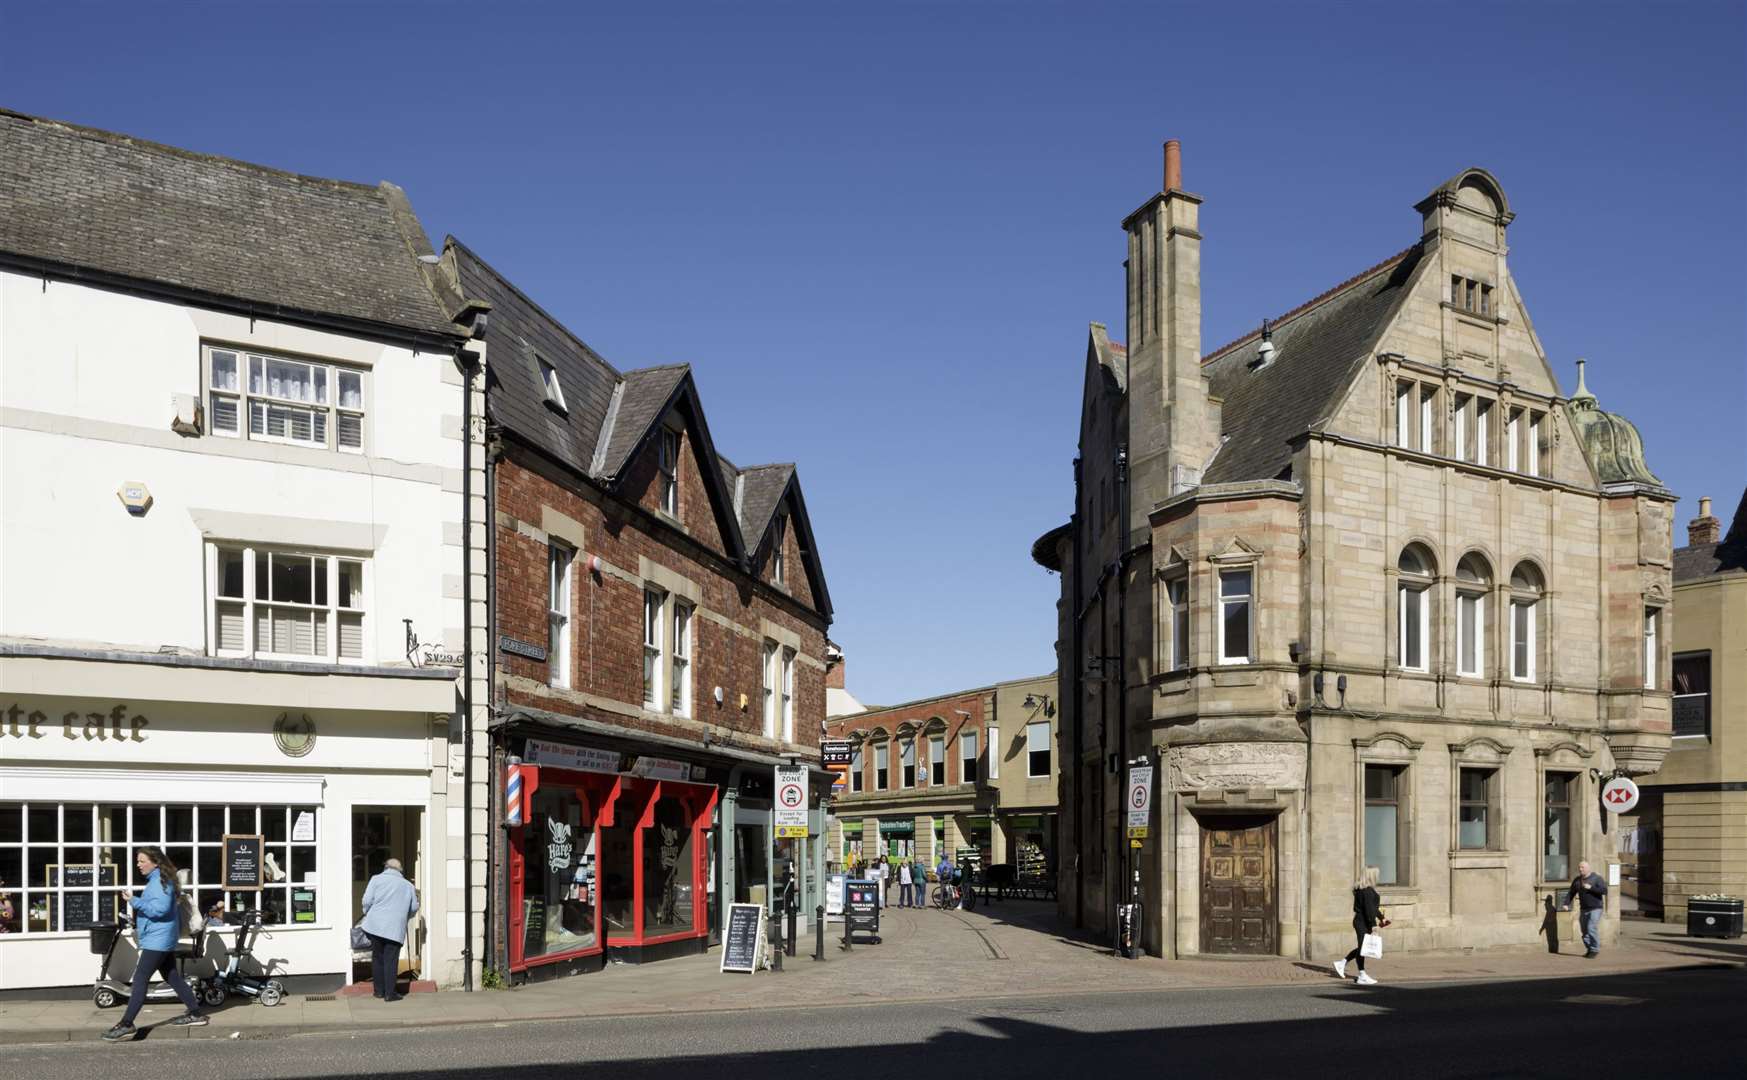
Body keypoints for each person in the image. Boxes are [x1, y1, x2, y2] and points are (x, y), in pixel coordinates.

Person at [102, 847, 206, 1041]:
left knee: (140, 979)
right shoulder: (158, 881)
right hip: (160, 938)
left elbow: (160, 910)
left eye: (142, 861)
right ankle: (195, 1013)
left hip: (158, 940)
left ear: (155, 862)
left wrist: (135, 901)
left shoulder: (159, 882)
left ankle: (127, 1024)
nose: (138, 864)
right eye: (138, 861)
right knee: (172, 976)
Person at [360, 857, 420, 1002]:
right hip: (394, 928)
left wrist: (367, 912)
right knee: (391, 960)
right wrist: (404, 916)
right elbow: (413, 908)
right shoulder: (408, 886)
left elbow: (367, 901)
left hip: (375, 926)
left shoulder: (375, 879)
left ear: (386, 867)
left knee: (377, 958)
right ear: (400, 870)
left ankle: (379, 991)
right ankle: (390, 993)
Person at [1334, 865, 1387, 985]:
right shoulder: (1367, 891)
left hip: (1361, 920)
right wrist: (1373, 925)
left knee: (1362, 948)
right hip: (1363, 921)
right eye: (1376, 874)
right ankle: (1361, 974)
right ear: (1372, 875)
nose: (1378, 877)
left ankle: (1342, 963)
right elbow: (1369, 910)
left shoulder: (1363, 890)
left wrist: (1382, 918)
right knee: (1363, 948)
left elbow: (1372, 909)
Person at [1563, 860, 1609, 958]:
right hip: (1584, 909)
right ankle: (1590, 948)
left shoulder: (1597, 878)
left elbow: (1604, 891)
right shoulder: (1577, 880)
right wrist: (1566, 903)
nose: (1580, 869)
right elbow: (1571, 892)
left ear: (1588, 868)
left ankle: (1595, 949)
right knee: (1584, 932)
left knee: (1591, 927)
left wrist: (1591, 888)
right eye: (1579, 867)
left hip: (1596, 908)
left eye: (1582, 867)